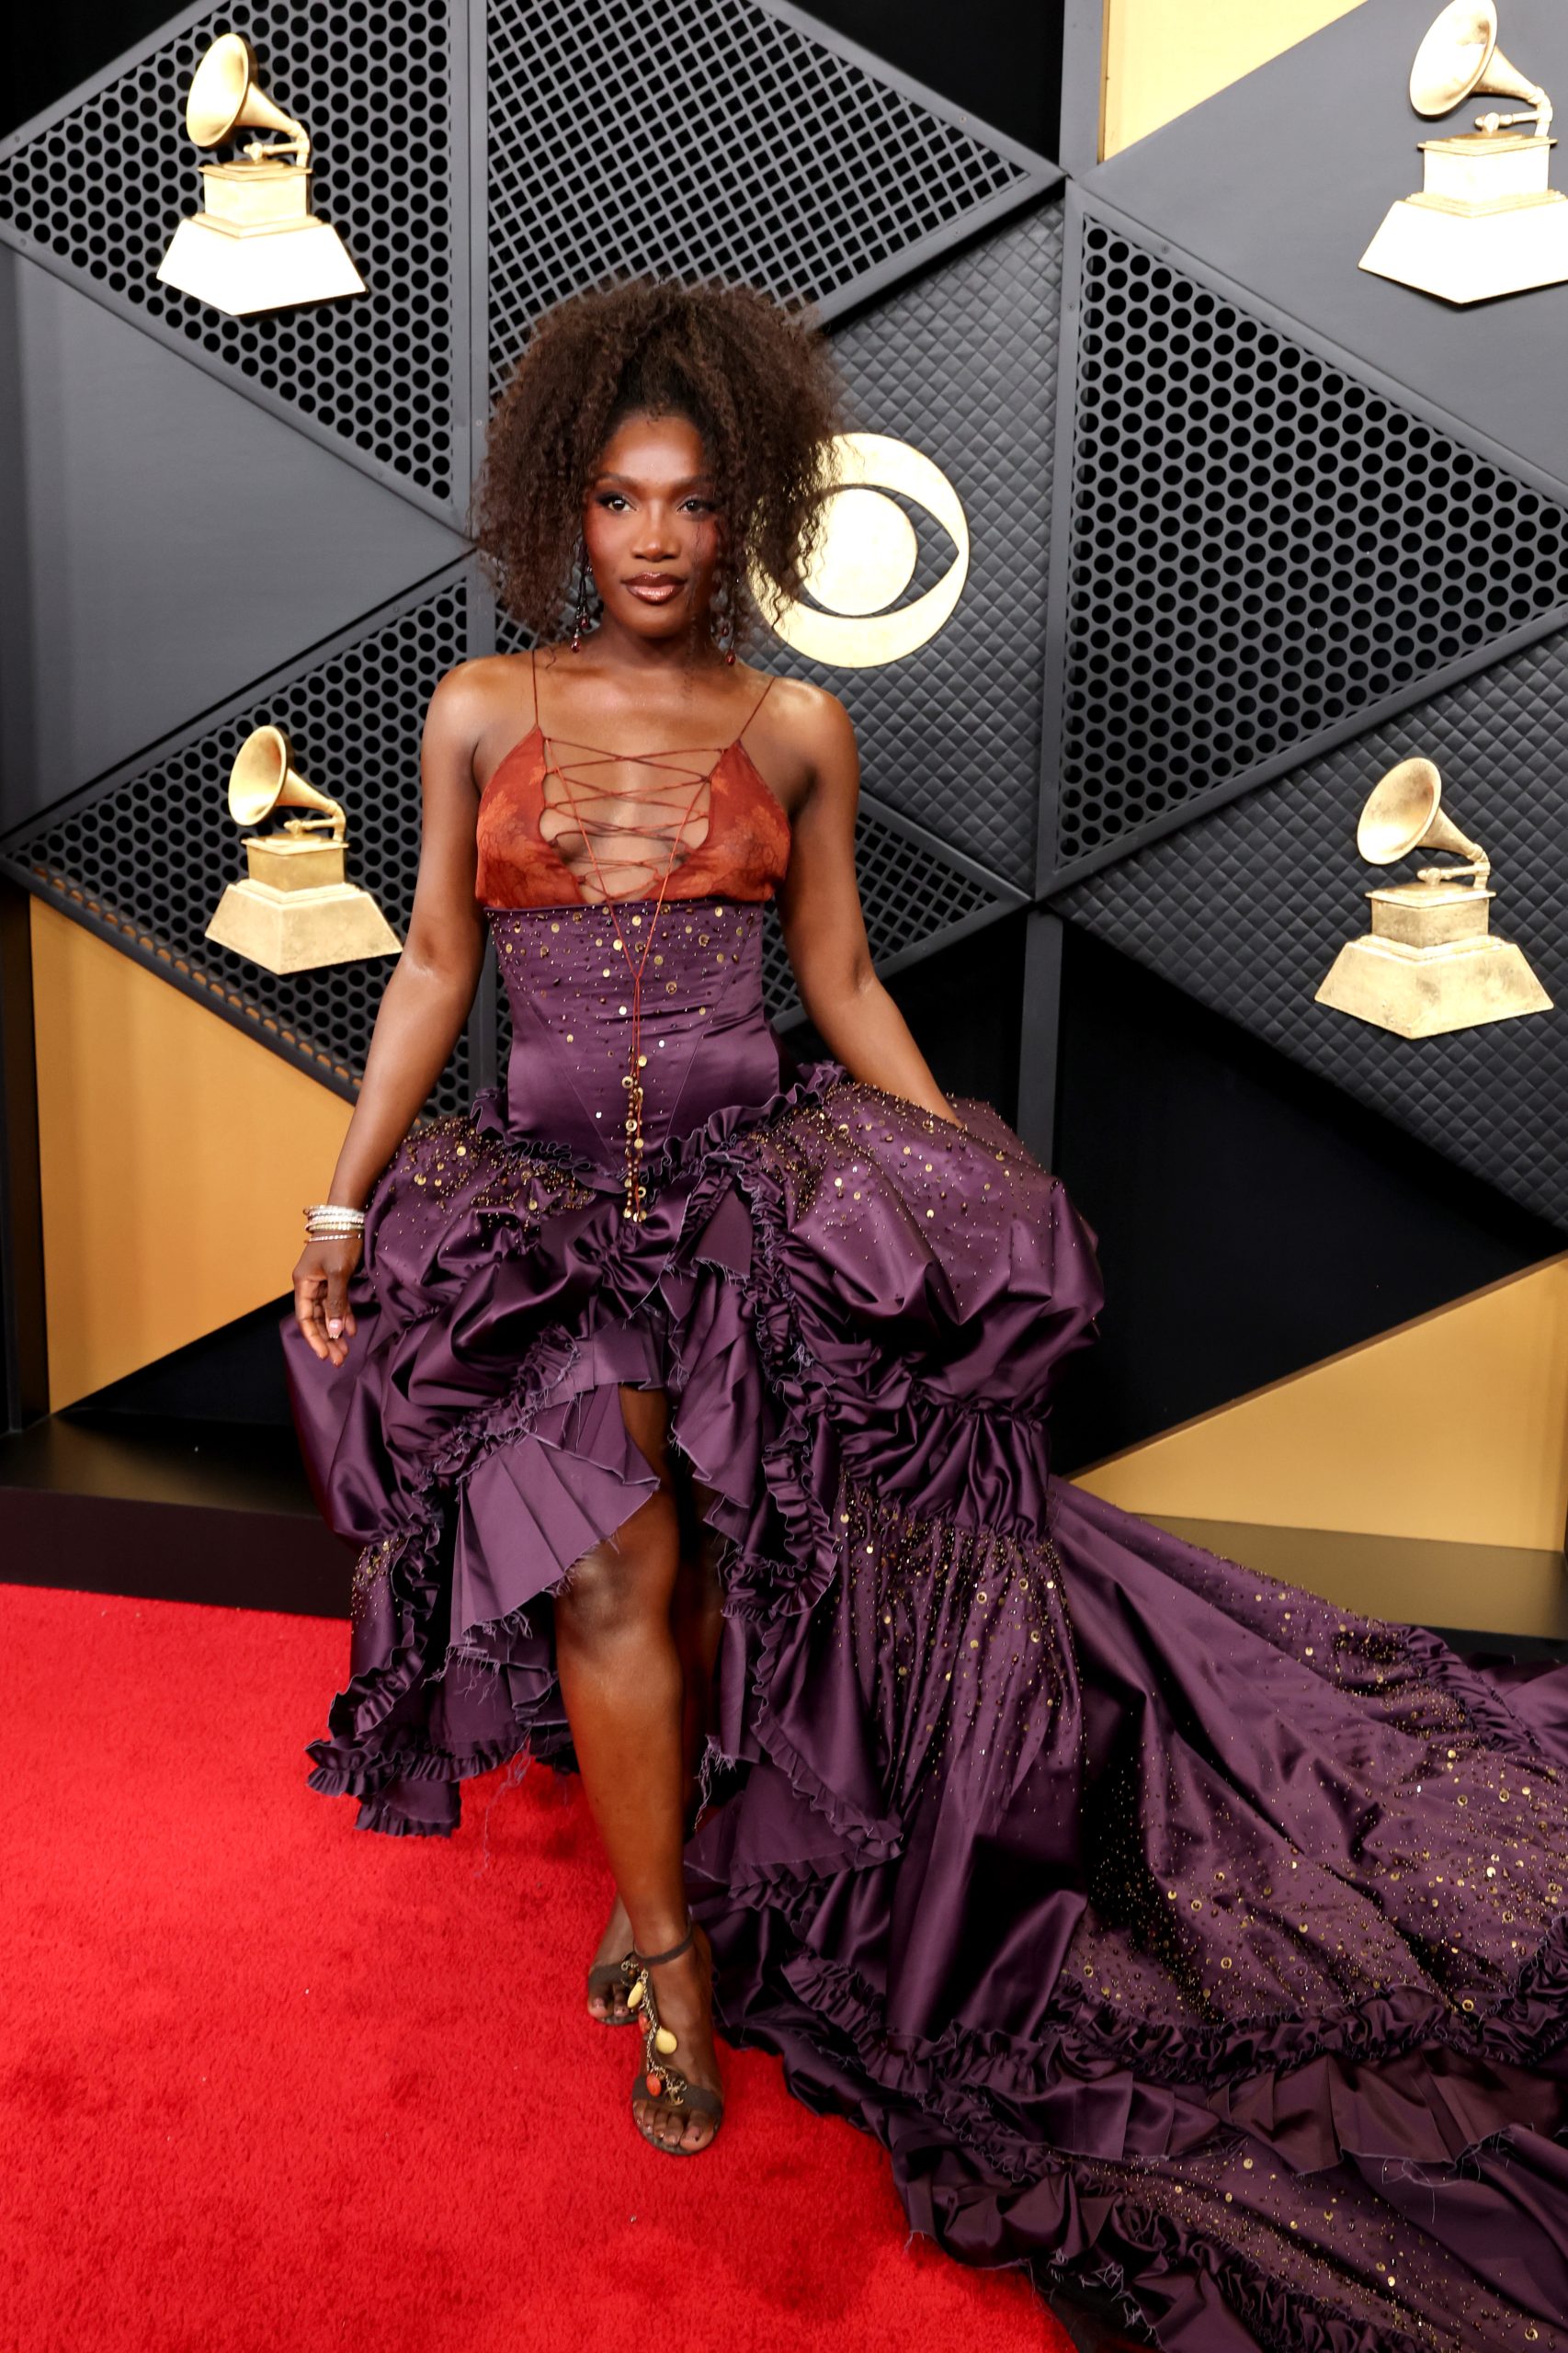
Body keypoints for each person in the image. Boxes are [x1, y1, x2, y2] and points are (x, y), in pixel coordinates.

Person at [284, 274, 1568, 2349]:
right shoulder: (476, 706)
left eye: (691, 501)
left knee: (718, 1553)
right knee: (607, 1567)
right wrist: (347, 1195)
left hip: (748, 1193)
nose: (653, 538)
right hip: (541, 1205)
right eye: (617, 499)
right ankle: (669, 1947)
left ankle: (665, 1869)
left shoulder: (798, 723)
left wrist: (964, 1167)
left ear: (746, 512)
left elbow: (843, 974)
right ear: (564, 511)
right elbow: (435, 961)